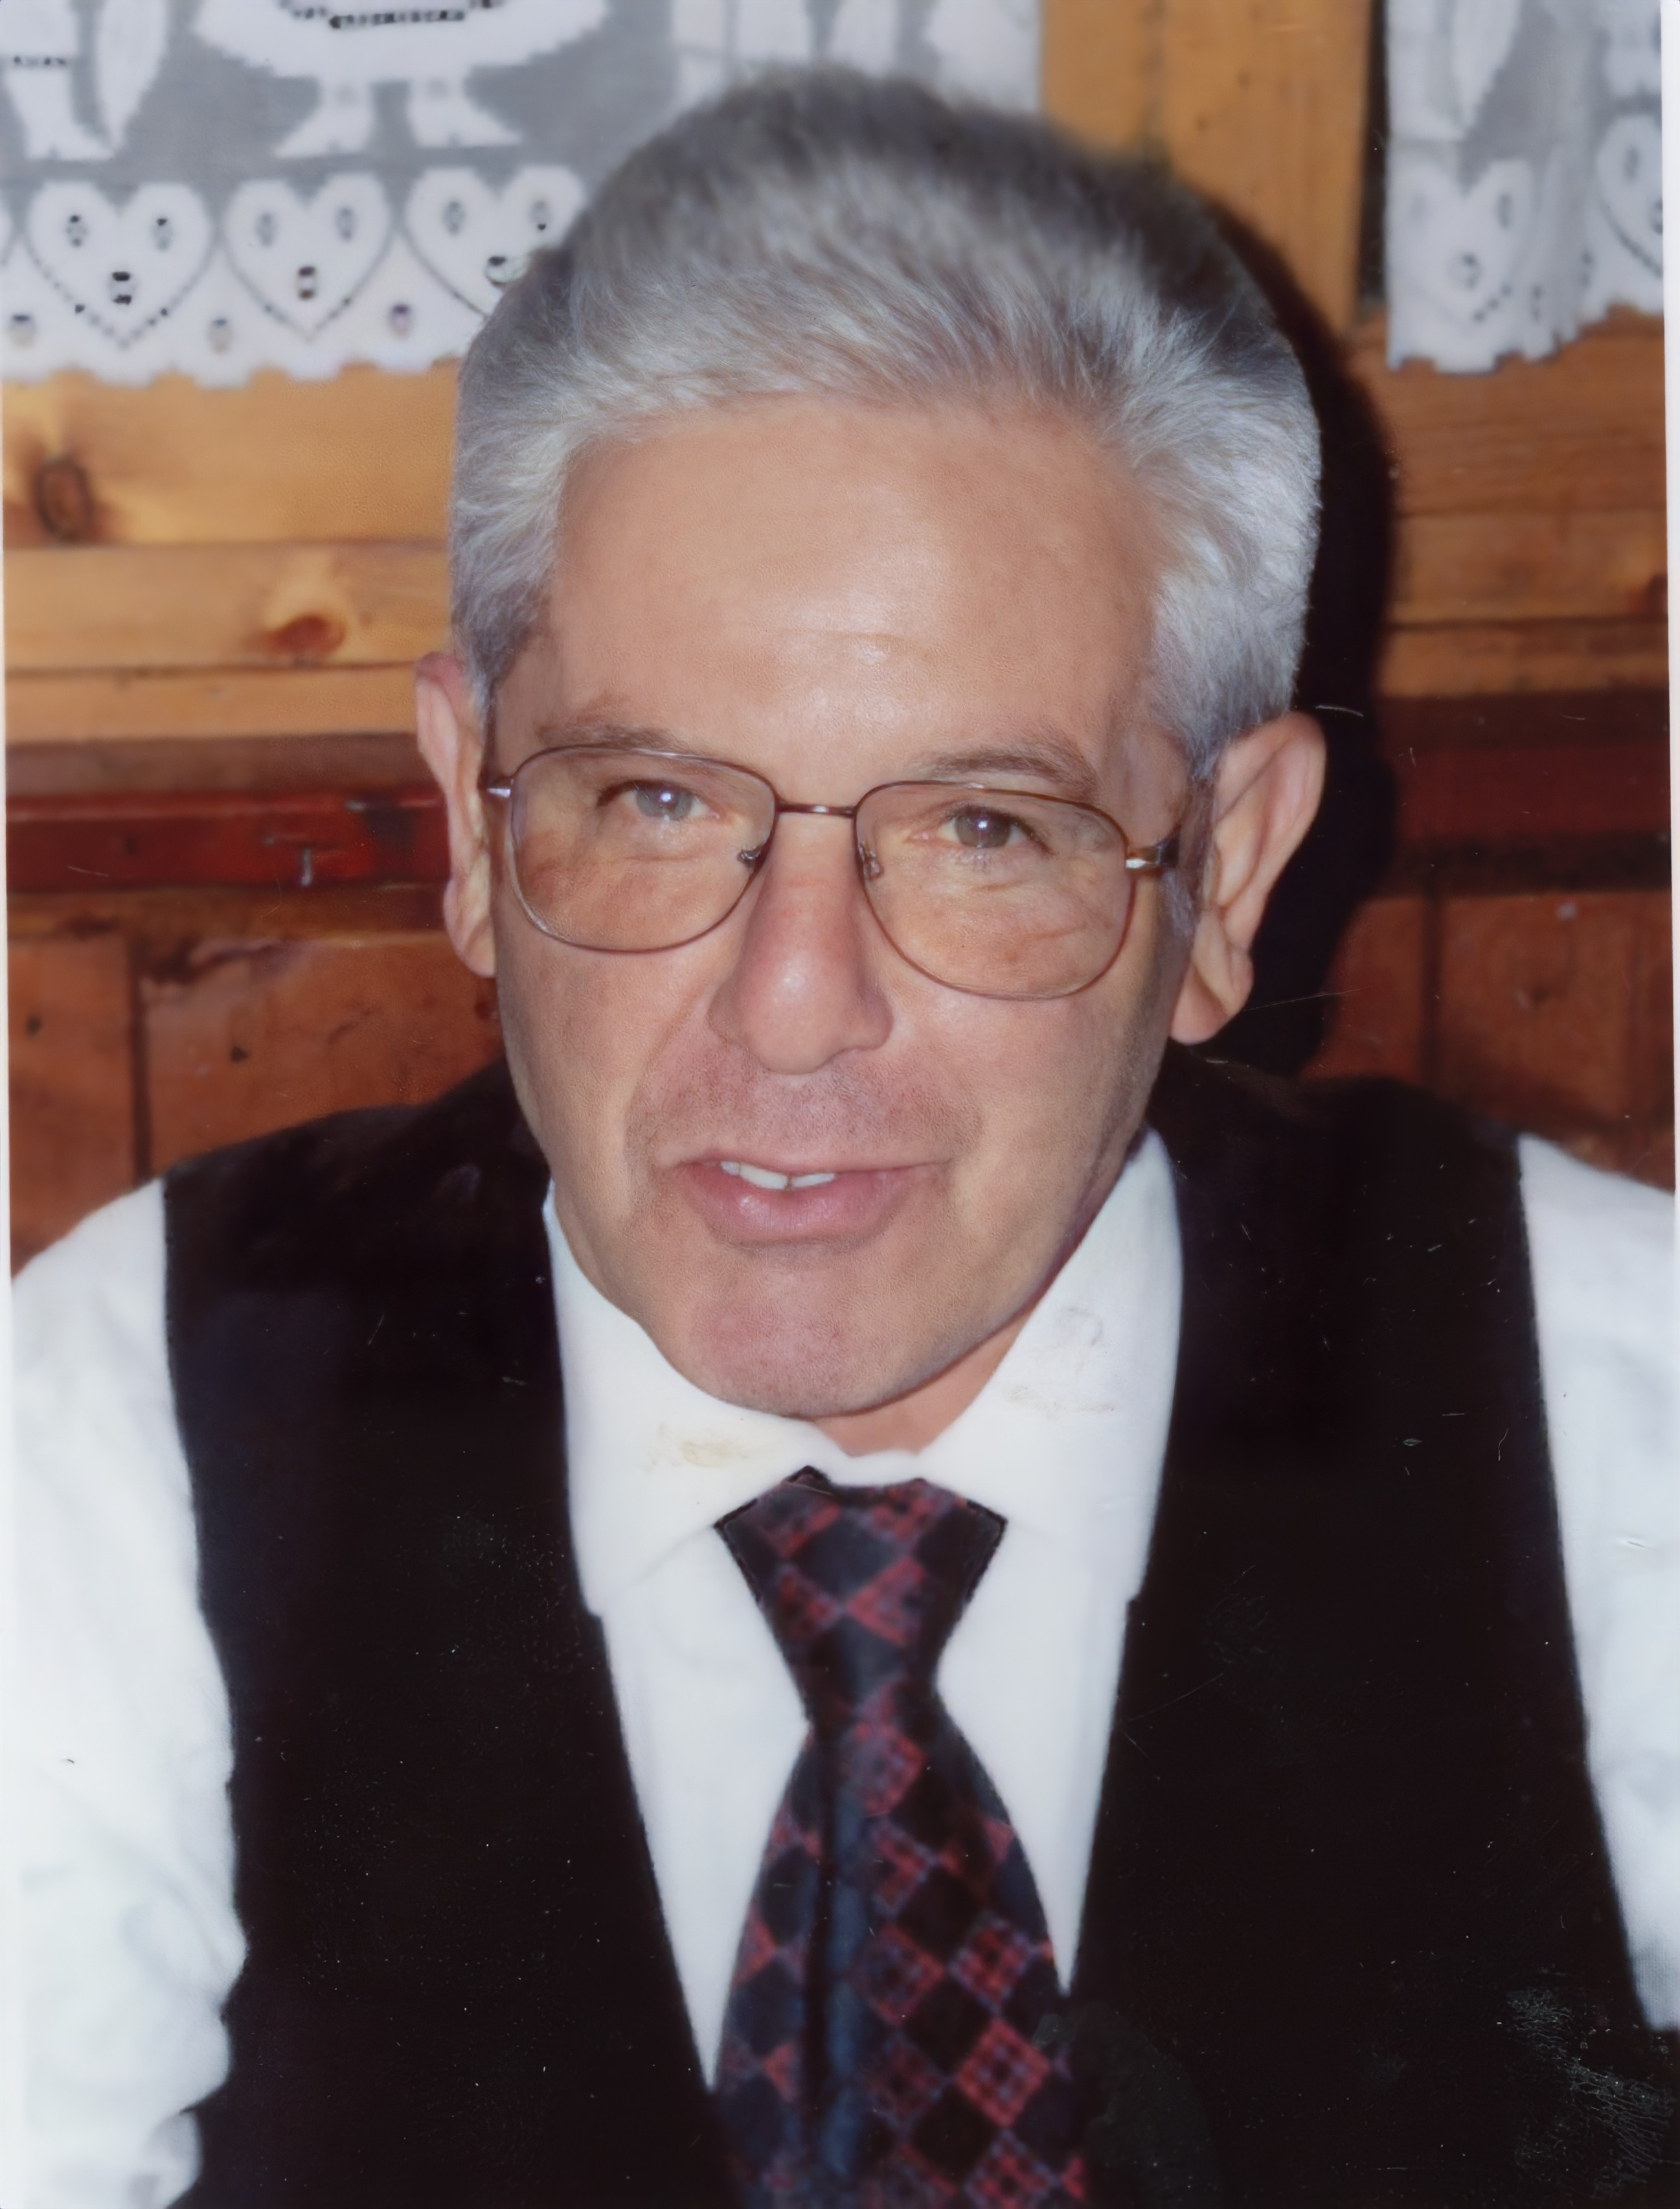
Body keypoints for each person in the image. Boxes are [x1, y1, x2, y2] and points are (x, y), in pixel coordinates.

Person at [17, 69, 1677, 2209]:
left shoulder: (1600, 1387)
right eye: (655, 800)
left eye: (985, 828)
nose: (792, 1002)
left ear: (1230, 873)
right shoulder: (127, 1420)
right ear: (471, 817)